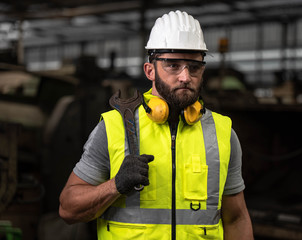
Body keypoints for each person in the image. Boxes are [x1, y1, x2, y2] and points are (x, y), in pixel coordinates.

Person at [59, 10, 254, 240]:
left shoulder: (222, 133)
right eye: (173, 65)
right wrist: (115, 185)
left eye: (194, 67)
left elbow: (236, 218)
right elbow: (68, 209)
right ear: (150, 70)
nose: (185, 76)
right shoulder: (114, 128)